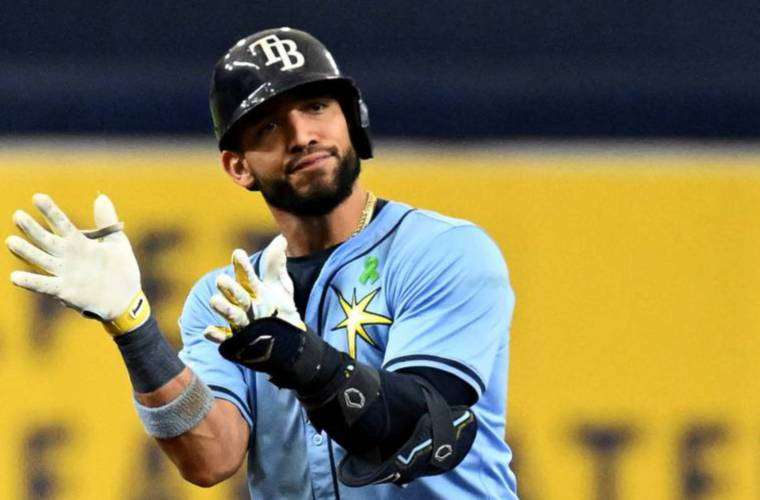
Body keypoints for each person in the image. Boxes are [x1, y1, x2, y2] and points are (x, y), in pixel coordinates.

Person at [6, 28, 518, 499]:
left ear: (352, 119)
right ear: (238, 166)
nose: (301, 135)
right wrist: (134, 328)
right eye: (270, 125)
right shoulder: (225, 296)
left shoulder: (443, 251)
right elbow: (210, 458)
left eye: (317, 106)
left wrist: (297, 356)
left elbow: (416, 425)